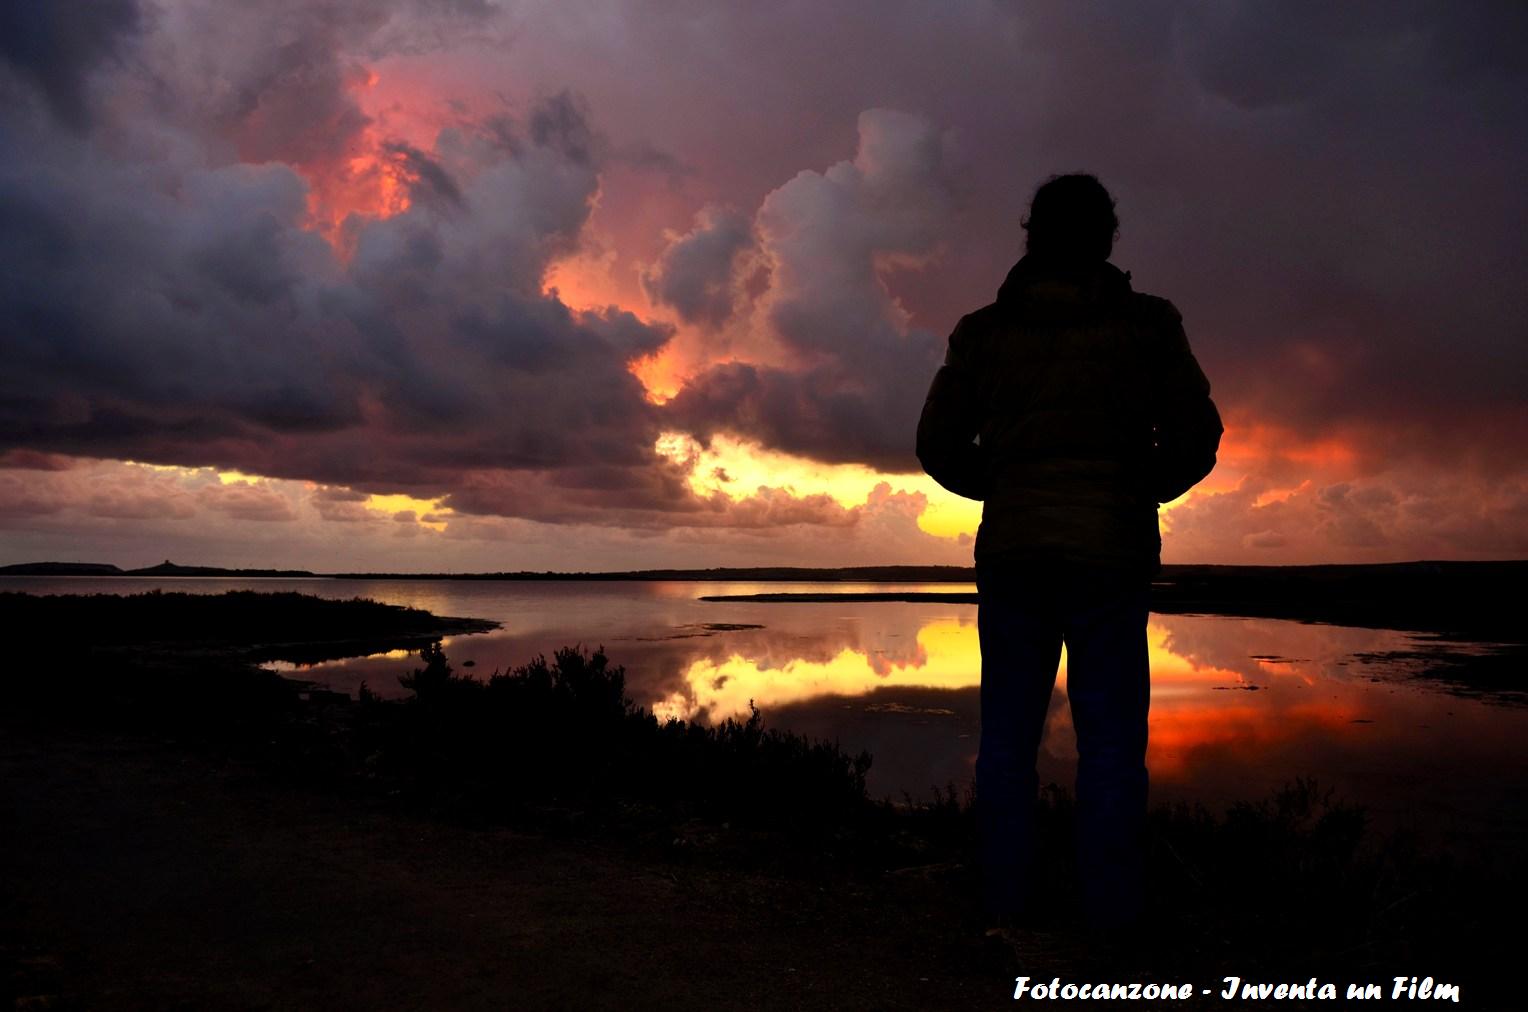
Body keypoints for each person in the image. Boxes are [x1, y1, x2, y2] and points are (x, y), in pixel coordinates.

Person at [916, 173, 1221, 934]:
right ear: (1108, 237)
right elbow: (1198, 437)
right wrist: (1139, 489)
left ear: (1031, 236)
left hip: (1016, 554)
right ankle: (1112, 915)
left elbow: (936, 446)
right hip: (1110, 558)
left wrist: (1001, 486)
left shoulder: (983, 332)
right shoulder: (1150, 325)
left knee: (1007, 740)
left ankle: (1005, 906)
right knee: (1113, 745)